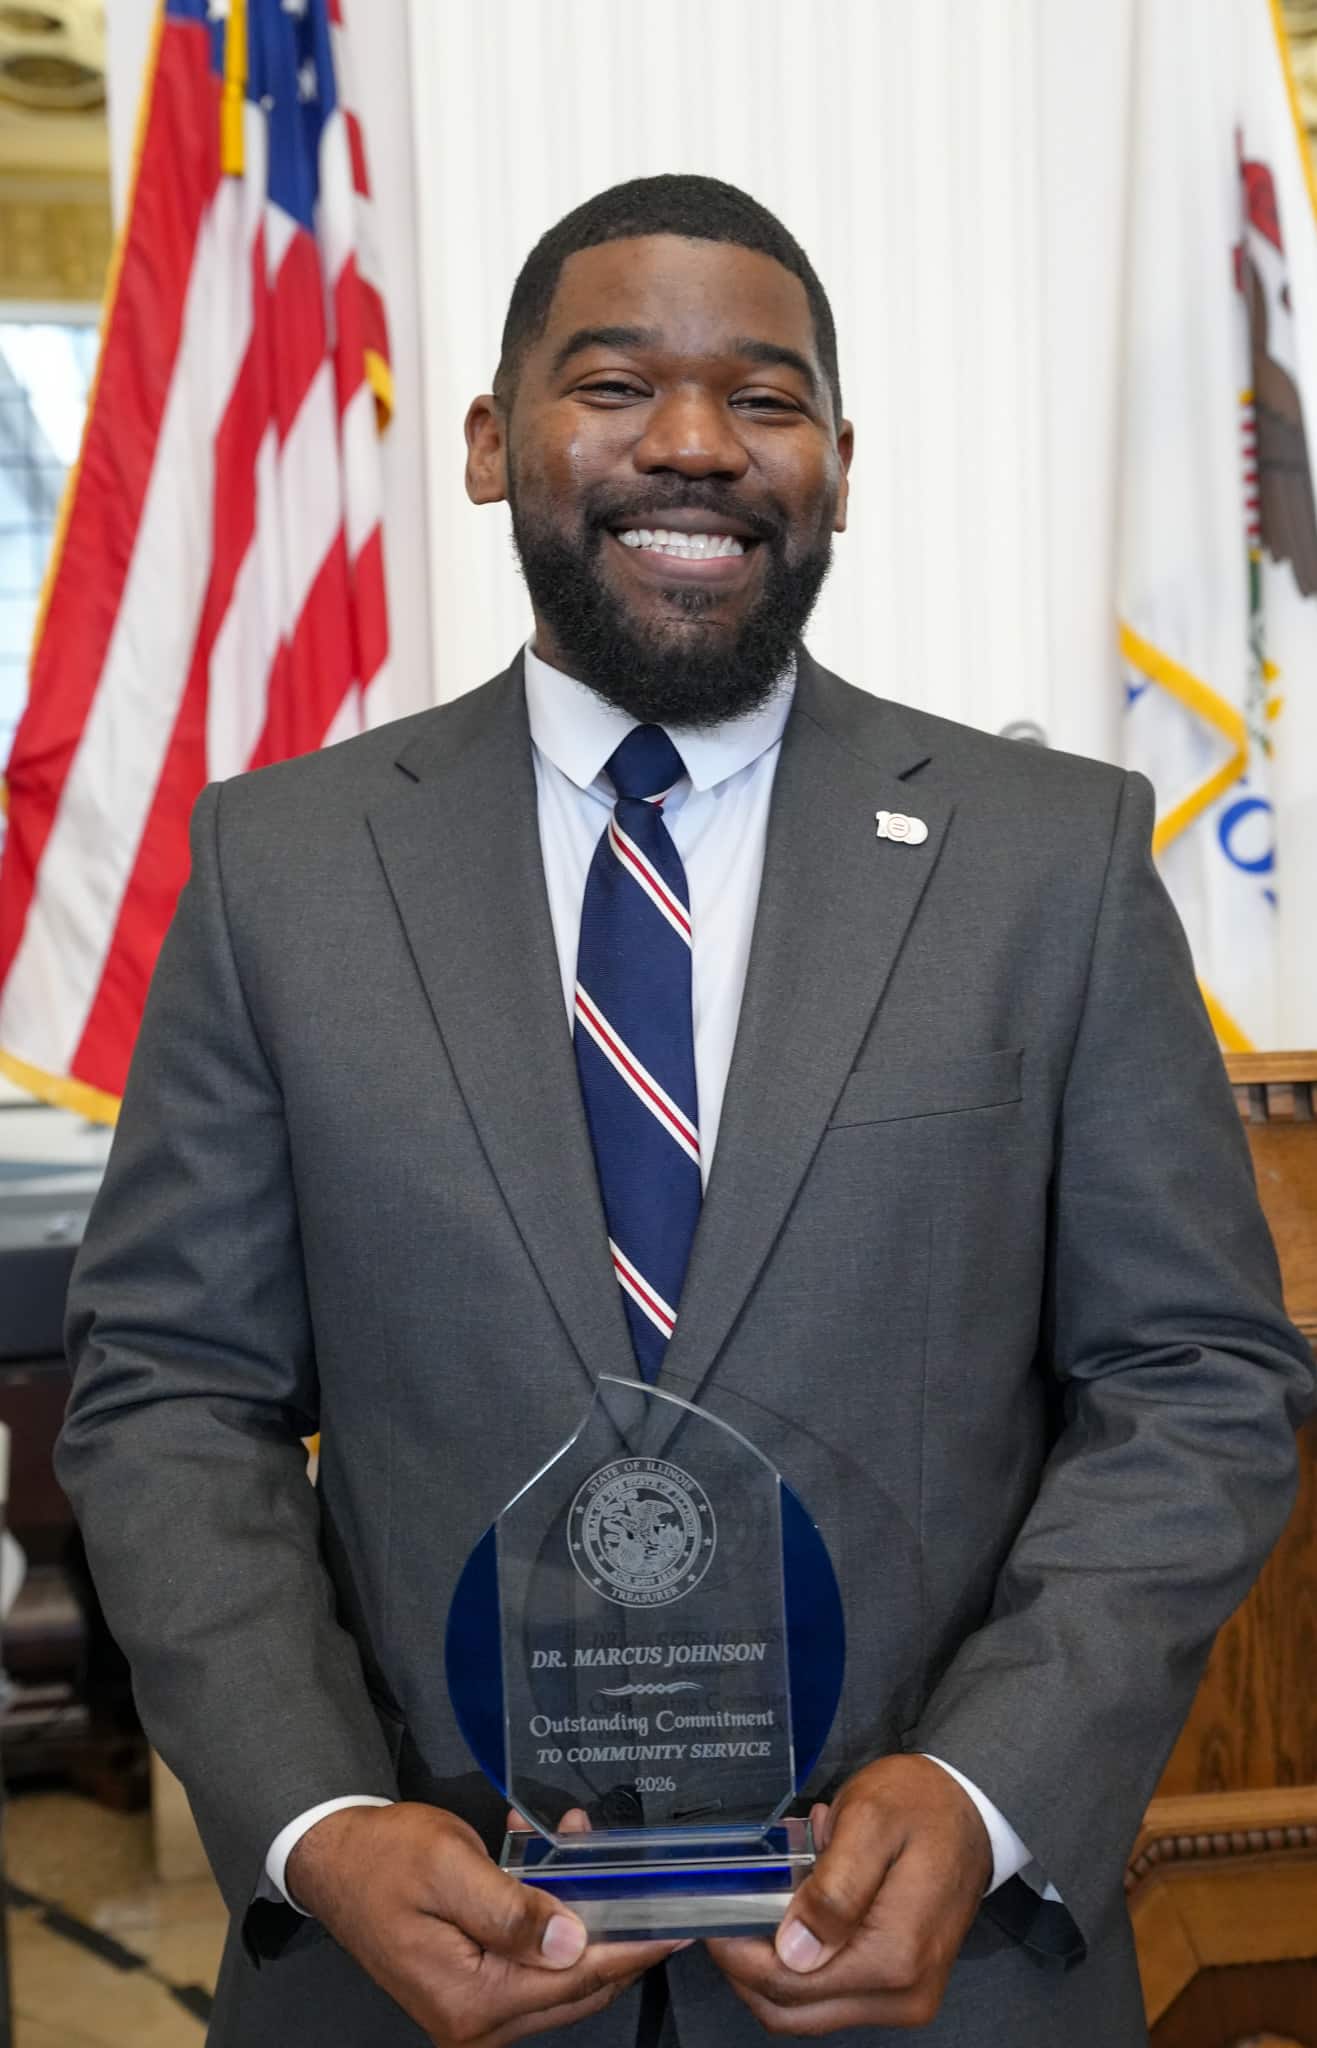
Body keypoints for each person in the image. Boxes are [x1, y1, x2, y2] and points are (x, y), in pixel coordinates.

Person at [57, 175, 1312, 2048]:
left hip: (928, 1980)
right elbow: (169, 1392)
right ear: (491, 443)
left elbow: (1199, 1375)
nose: (699, 447)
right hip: (405, 1971)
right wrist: (315, 1824)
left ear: (838, 459)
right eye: (618, 384)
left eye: (769, 398)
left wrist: (985, 1788)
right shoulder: (283, 866)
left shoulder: (1043, 861)